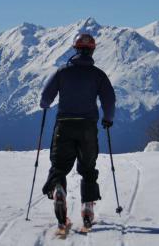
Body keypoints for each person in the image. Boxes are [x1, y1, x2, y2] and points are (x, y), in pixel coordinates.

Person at [40, 33, 116, 233]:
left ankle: (58, 190)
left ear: (75, 49)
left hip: (64, 125)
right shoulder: (98, 75)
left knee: (59, 166)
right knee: (88, 168)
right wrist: (108, 118)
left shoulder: (62, 72)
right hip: (87, 127)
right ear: (92, 50)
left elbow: (45, 96)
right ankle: (88, 208)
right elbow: (109, 99)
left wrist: (45, 104)